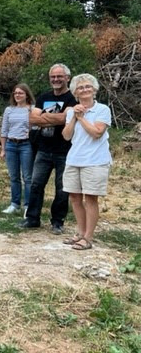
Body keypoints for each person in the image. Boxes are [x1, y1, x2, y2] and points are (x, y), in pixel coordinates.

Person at [19, 64, 77, 234]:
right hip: (43, 149)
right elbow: (32, 119)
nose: (56, 80)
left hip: (64, 150)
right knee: (36, 184)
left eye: (60, 76)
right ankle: (32, 218)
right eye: (53, 76)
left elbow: (65, 119)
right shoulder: (44, 97)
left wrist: (44, 117)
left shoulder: (73, 98)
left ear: (67, 78)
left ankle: (57, 221)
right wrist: (56, 118)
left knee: (62, 188)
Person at [61, 74, 111, 251]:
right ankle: (80, 233)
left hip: (95, 161)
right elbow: (66, 136)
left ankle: (88, 237)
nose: (85, 90)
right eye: (80, 87)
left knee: (90, 198)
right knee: (74, 197)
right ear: (75, 92)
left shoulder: (102, 109)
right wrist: (74, 117)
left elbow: (97, 132)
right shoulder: (71, 112)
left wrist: (82, 118)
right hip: (75, 158)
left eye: (88, 86)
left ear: (94, 89)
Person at [0, 83, 35, 214]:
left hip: (26, 145)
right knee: (14, 176)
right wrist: (3, 149)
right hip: (11, 145)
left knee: (27, 177)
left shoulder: (32, 109)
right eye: (15, 93)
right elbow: (4, 130)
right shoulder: (9, 110)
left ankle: (28, 206)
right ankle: (14, 204)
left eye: (21, 93)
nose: (18, 95)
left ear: (26, 95)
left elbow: (36, 127)